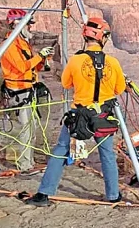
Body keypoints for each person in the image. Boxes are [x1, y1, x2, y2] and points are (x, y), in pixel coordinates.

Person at [25, 17, 125, 206]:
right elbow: (119, 89)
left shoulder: (75, 60)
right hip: (103, 116)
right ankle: (113, 195)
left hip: (79, 116)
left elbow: (65, 83)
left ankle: (44, 194)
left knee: (61, 150)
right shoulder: (113, 62)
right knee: (108, 155)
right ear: (102, 38)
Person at [0, 8, 54, 170]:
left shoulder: (23, 44)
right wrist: (39, 56)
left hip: (29, 90)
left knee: (32, 128)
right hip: (18, 92)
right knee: (26, 129)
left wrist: (43, 59)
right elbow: (21, 67)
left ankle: (29, 162)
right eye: (28, 25)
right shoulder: (9, 45)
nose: (30, 27)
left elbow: (32, 67)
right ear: (18, 24)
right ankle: (24, 165)